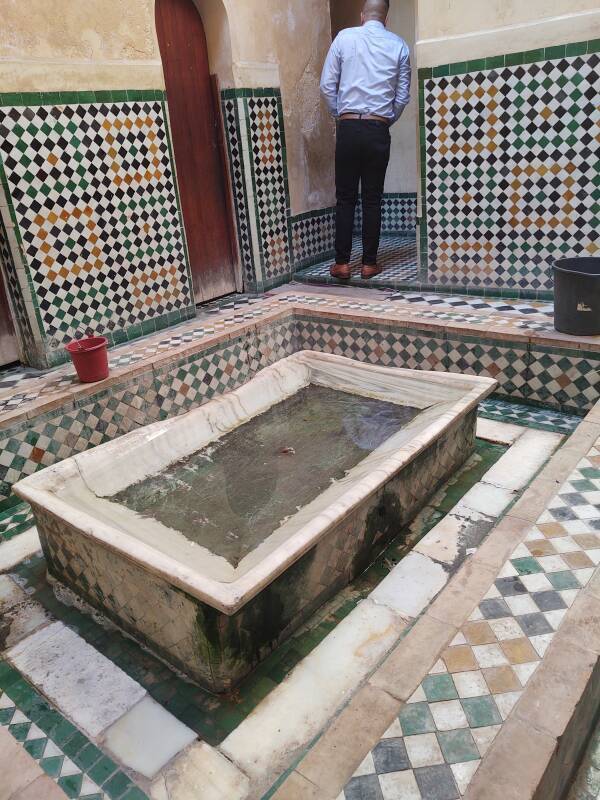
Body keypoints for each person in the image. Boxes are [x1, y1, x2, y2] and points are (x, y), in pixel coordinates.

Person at [320, 0, 411, 280]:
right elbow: (402, 96)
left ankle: (342, 264)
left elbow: (326, 86)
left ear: (362, 15)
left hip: (348, 128)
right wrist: (383, 120)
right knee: (373, 198)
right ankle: (369, 264)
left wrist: (342, 114)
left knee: (345, 198)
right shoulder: (399, 46)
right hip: (378, 130)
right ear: (386, 18)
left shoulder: (344, 38)